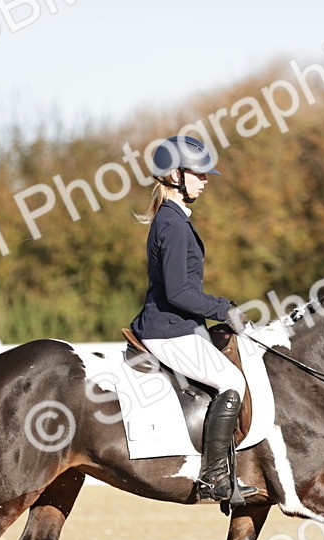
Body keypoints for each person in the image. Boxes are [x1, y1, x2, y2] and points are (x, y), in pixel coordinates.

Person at [129, 135, 257, 504]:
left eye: (206, 175)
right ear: (173, 174)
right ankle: (213, 478)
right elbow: (178, 293)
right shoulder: (171, 224)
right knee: (231, 380)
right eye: (198, 174)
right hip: (167, 330)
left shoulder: (174, 220)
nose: (205, 180)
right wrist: (224, 309)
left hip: (181, 327)